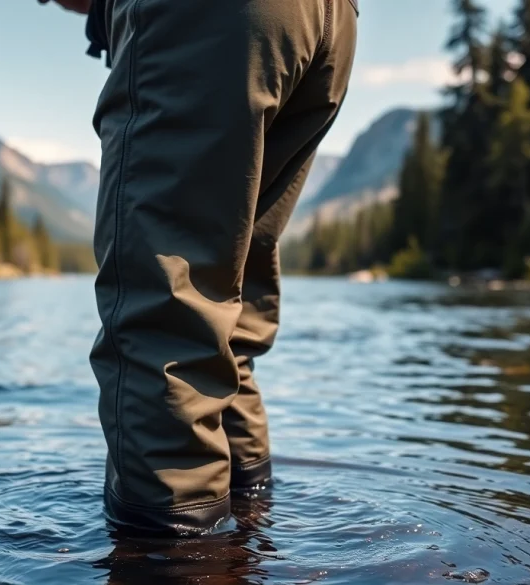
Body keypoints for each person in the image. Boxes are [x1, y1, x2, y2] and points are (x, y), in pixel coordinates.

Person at [42, 0, 358, 536]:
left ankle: (176, 559)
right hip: (327, 20)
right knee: (225, 319)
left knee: (167, 319)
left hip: (207, 17)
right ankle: (249, 539)